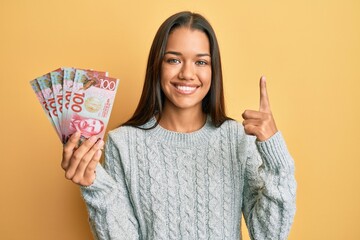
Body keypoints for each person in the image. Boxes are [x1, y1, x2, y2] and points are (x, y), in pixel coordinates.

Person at [62, 11, 296, 240]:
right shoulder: (122, 143)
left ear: (213, 70)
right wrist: (95, 186)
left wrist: (275, 155)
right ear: (157, 65)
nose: (187, 73)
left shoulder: (237, 139)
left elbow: (270, 234)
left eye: (201, 62)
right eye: (174, 60)